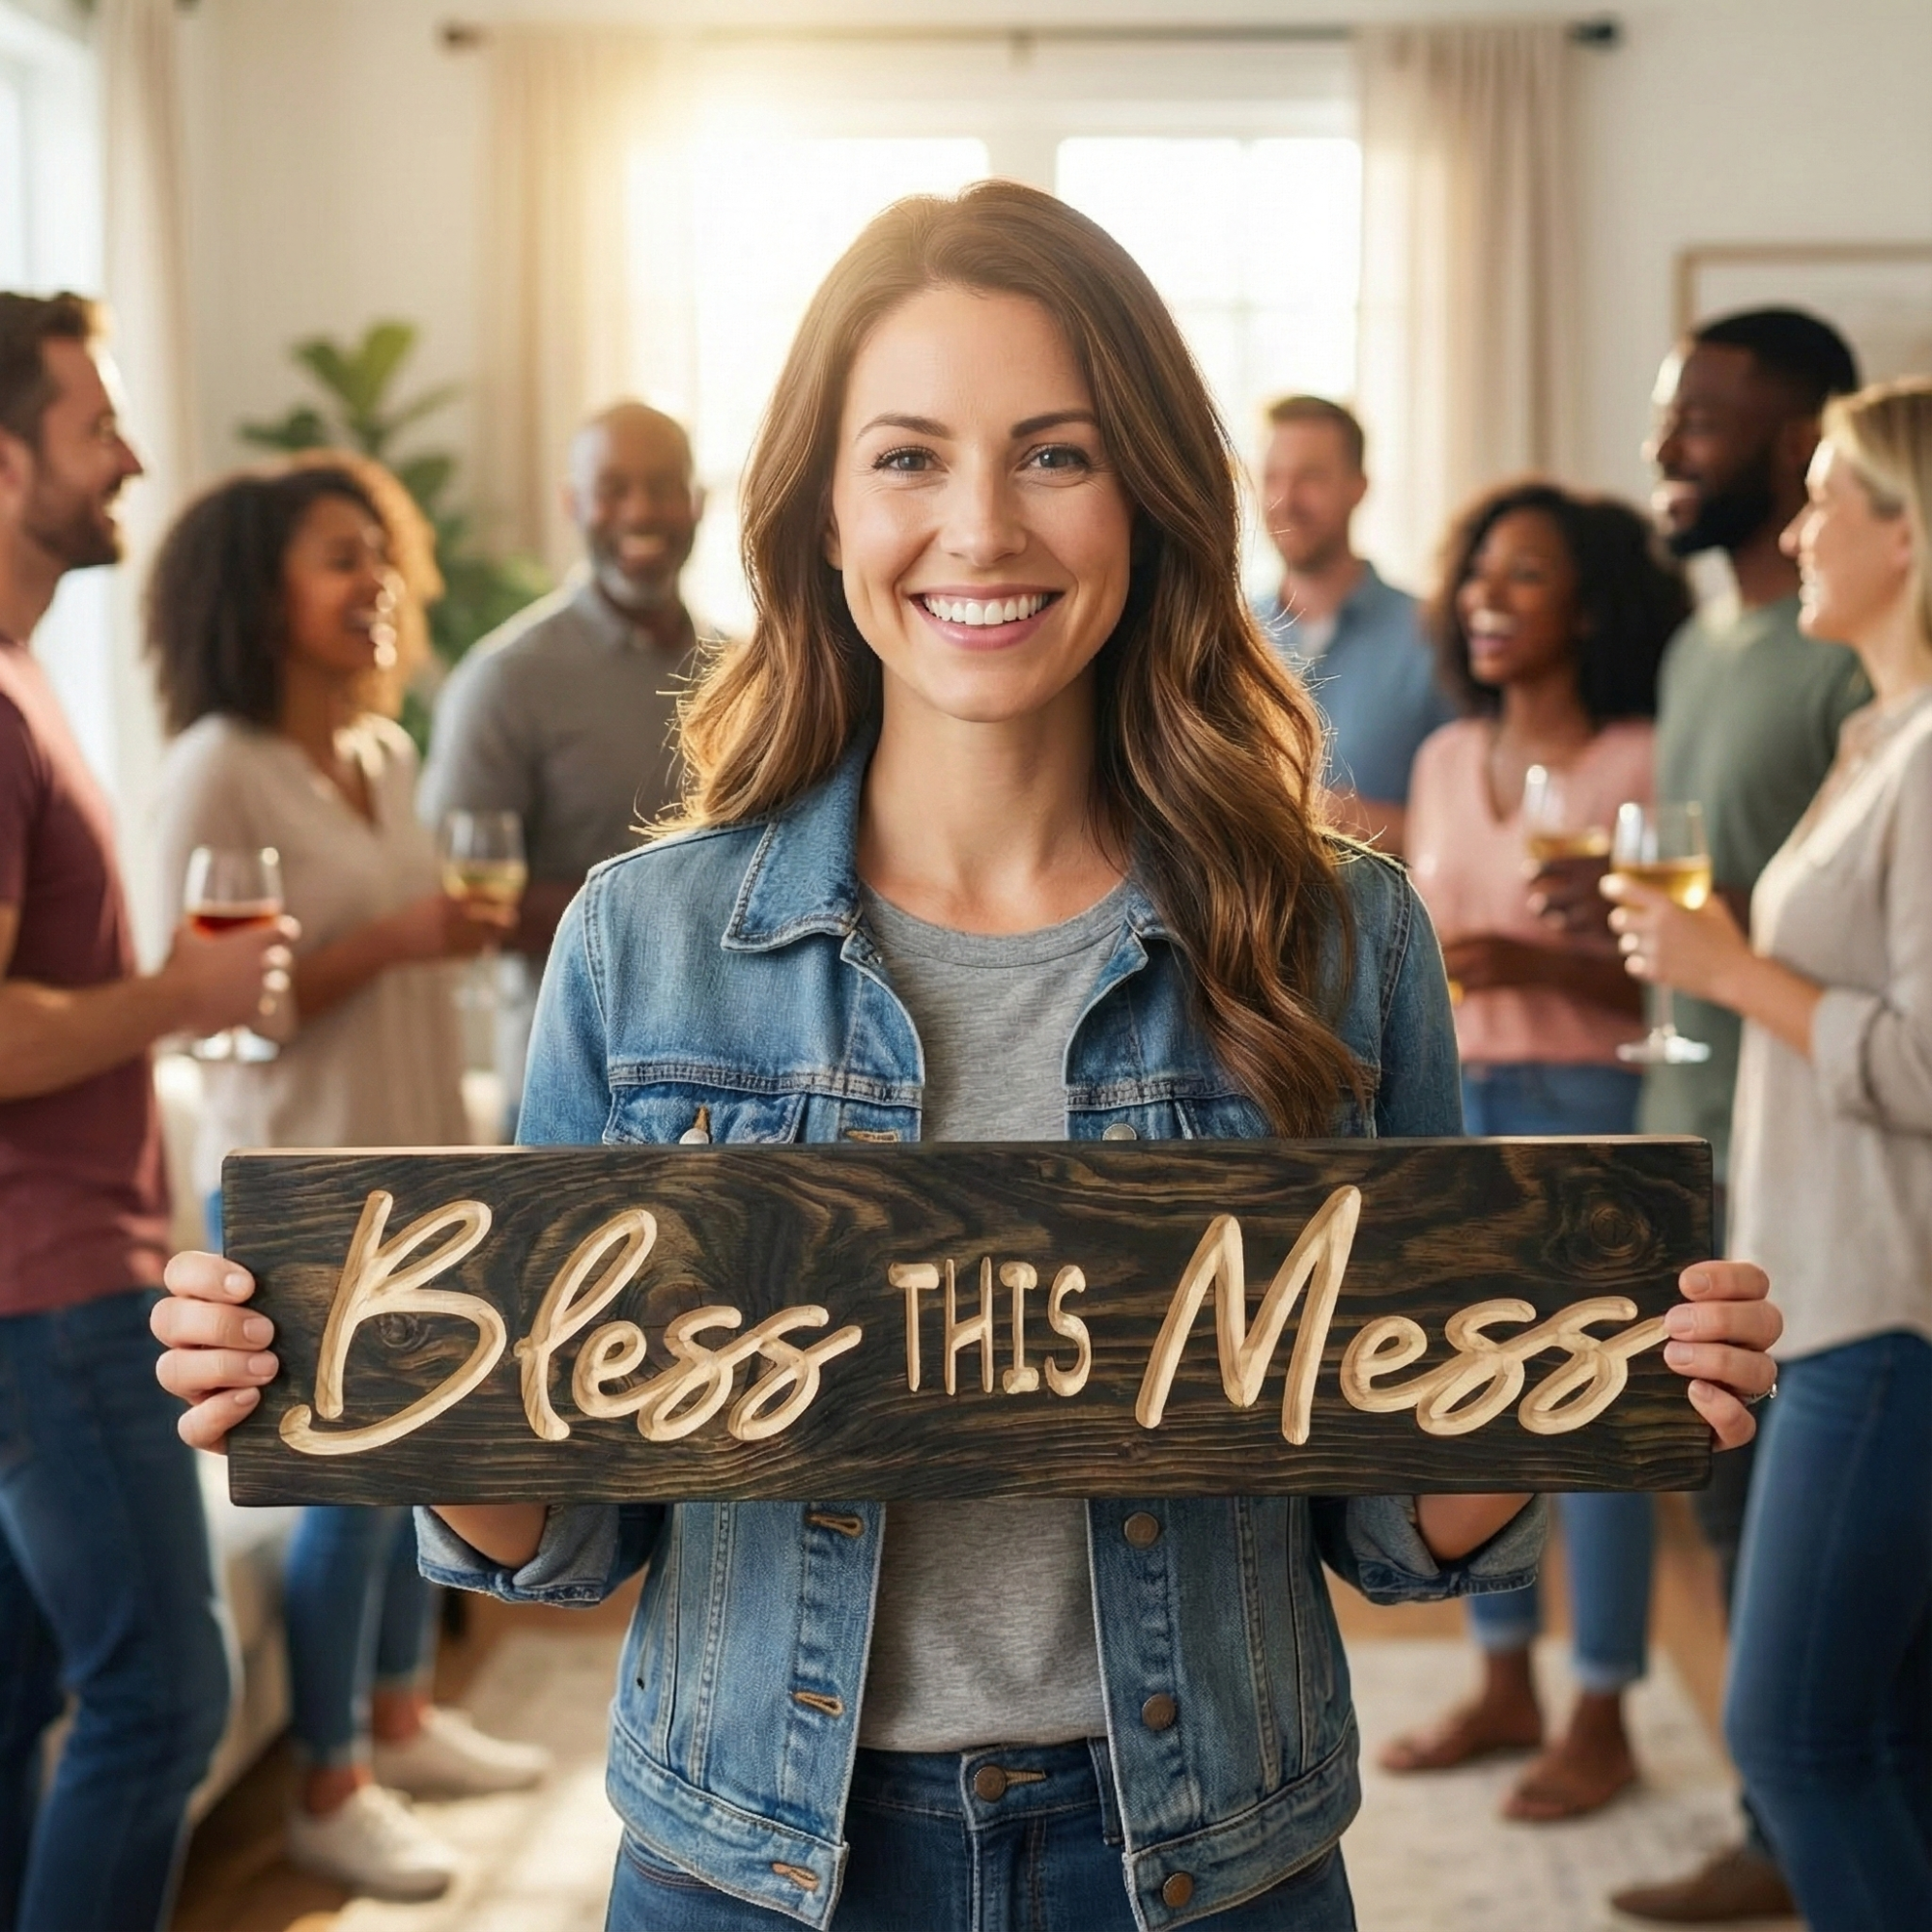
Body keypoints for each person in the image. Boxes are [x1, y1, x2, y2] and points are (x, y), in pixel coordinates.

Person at [152, 185, 1778, 1931]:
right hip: (747, 1865)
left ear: (1151, 499)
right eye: (911, 458)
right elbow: (570, 1532)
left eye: (1056, 453)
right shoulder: (640, 942)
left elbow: (1391, 1520)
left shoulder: (1340, 936)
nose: (982, 528)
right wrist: (359, 1385)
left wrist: (1591, 1375)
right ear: (825, 516)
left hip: (1209, 1859)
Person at [147, 457, 550, 1903]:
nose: (377, 579)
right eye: (339, 556)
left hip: (413, 1180)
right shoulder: (216, 764)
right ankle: (331, 1784)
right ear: (261, 591)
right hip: (294, 1197)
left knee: (416, 1471)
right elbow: (206, 1008)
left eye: (384, 554)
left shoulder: (380, 756)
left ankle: (395, 1714)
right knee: (346, 1493)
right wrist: (397, 941)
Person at [1535, 308, 1870, 1926]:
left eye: (1706, 425)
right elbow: (1722, 897)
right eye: (1667, 420)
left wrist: (1713, 937)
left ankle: (1804, 1810)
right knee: (1722, 1496)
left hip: (1821, 1161)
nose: (1666, 451)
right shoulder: (1694, 646)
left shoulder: (1856, 653)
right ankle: (1773, 1815)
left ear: (1807, 441)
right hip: (1687, 1128)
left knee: (1819, 1536)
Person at [1605, 378, 1932, 1932]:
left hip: (1885, 1308)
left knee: (1788, 1733)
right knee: (1888, 1736)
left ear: (1912, 533)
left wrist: (1726, 968)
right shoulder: (1884, 740)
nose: (1795, 531)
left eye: (1828, 501)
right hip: (1840, 1282)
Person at [0, 294, 289, 1931]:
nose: (133, 457)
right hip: (51, 1290)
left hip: (42, 1281)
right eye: (96, 426)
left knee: (21, 1703)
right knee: (165, 1699)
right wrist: (182, 997)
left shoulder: (23, 673)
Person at [1385, 483, 1690, 1820]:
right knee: (1472, 1400)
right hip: (1460, 1099)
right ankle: (1504, 1683)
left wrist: (1547, 959)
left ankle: (1605, 1708)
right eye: (1478, 576)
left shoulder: (1644, 757)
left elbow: (1682, 990)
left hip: (1591, 1095)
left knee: (1598, 1421)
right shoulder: (1448, 760)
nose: (1489, 601)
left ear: (1592, 606)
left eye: (1527, 577)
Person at [418, 401, 714, 1126]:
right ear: (572, 504)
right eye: (613, 488)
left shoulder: (752, 672)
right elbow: (462, 903)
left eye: (663, 485)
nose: (640, 509)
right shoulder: (506, 678)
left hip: (741, 1090)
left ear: (698, 502)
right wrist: (661, 914)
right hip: (573, 1083)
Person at [1251, 395, 1454, 853]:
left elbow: (1471, 834)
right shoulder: (1224, 636)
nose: (1285, 499)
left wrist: (1327, 815)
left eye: (1311, 478)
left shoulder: (1433, 634)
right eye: (1271, 477)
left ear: (1358, 488)